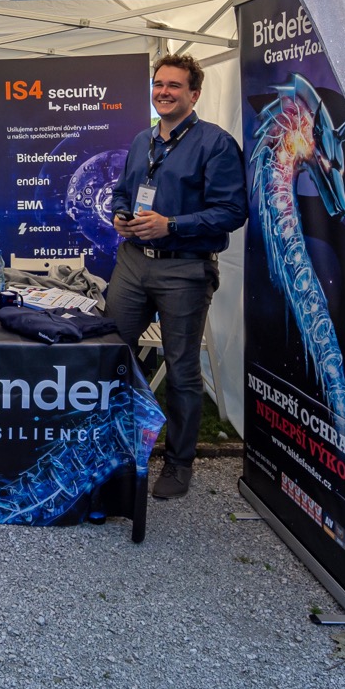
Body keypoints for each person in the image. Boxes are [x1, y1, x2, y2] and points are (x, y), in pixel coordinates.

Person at [106, 53, 246, 501]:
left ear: (194, 94)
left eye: (174, 86)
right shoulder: (141, 140)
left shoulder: (216, 144)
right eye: (159, 84)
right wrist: (120, 214)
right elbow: (123, 191)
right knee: (113, 356)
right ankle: (116, 450)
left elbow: (232, 211)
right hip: (133, 263)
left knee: (182, 369)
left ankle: (178, 463)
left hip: (184, 268)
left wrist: (172, 225)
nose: (163, 92)